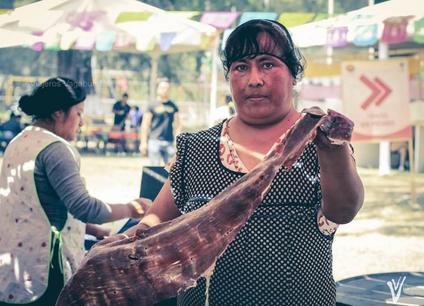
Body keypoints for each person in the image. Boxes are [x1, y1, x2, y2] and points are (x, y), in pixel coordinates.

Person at [126, 19, 364, 305]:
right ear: (229, 77)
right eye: (241, 67)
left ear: (294, 75)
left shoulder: (320, 145)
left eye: (267, 64)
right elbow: (154, 221)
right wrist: (122, 247)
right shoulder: (196, 149)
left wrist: (332, 148)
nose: (254, 79)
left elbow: (344, 211)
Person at [0, 77, 151, 305]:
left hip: (12, 262)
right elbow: (83, 207)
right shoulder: (55, 149)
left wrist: (91, 229)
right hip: (43, 268)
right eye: (79, 113)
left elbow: (37, 203)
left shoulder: (21, 141)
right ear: (58, 113)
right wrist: (131, 208)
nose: (82, 123)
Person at [139, 80, 180, 166]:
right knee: (155, 169)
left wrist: (177, 141)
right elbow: (145, 124)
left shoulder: (173, 106)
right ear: (158, 89)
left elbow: (177, 125)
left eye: (167, 88)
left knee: (171, 170)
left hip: (169, 142)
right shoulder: (152, 105)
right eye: (162, 87)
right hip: (154, 141)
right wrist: (143, 142)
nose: (164, 90)